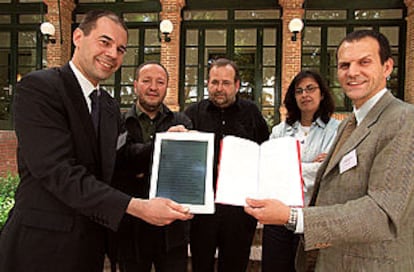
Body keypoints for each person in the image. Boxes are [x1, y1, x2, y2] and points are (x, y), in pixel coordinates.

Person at [0, 10, 192, 272]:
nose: (113, 53)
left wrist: (164, 145)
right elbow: (59, 172)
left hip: (89, 247)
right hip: (41, 246)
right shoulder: (40, 88)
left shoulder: (109, 106)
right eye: (105, 42)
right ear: (78, 36)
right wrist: (136, 207)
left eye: (121, 48)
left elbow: (121, 156)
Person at [245, 29, 414, 272]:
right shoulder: (348, 124)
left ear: (387, 67)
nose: (353, 72)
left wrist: (293, 217)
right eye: (345, 65)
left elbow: (381, 213)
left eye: (364, 62)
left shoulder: (404, 120)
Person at [184, 58, 270, 272]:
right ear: (207, 83)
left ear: (237, 85)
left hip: (239, 212)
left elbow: (264, 153)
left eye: (225, 83)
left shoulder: (251, 113)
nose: (219, 89)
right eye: (214, 82)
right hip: (202, 210)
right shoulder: (192, 114)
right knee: (200, 265)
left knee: (234, 265)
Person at [110, 61, 192, 272]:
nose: (153, 87)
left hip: (171, 229)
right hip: (131, 226)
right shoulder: (118, 122)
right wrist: (163, 145)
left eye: (160, 82)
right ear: (135, 85)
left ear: (167, 87)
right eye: (146, 81)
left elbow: (183, 168)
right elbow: (120, 161)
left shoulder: (183, 122)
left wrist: (140, 165)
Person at [262, 70, 339, 271]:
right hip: (278, 213)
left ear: (322, 94)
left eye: (310, 89)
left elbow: (330, 172)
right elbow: (271, 169)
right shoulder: (280, 130)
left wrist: (290, 166)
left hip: (314, 215)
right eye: (299, 91)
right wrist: (313, 165)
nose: (305, 94)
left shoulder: (337, 130)